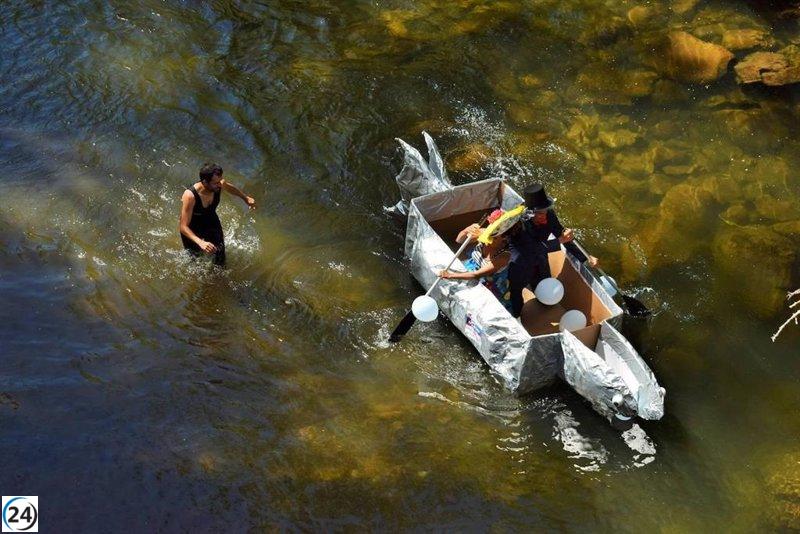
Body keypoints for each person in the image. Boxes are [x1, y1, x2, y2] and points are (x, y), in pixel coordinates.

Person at [506, 183, 598, 317]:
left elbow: (563, 235)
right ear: (530, 213)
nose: (544, 215)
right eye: (539, 213)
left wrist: (586, 257)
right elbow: (532, 248)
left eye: (545, 210)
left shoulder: (549, 215)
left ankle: (544, 306)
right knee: (516, 295)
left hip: (540, 261)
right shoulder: (518, 224)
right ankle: (517, 316)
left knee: (544, 289)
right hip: (521, 264)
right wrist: (560, 240)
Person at [179, 163, 256, 266]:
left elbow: (230, 188)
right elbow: (183, 227)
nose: (220, 185)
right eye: (216, 183)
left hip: (211, 221)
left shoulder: (218, 184)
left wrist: (245, 198)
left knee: (220, 259)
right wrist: (200, 242)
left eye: (220, 181)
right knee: (194, 262)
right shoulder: (190, 196)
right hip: (193, 228)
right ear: (205, 182)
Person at [438, 209, 513, 313]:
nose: (489, 238)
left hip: (487, 283)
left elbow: (476, 275)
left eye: (495, 237)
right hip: (469, 268)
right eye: (490, 232)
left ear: (505, 239)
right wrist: (466, 231)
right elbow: (459, 240)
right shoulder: (484, 233)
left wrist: (450, 275)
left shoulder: (504, 256)